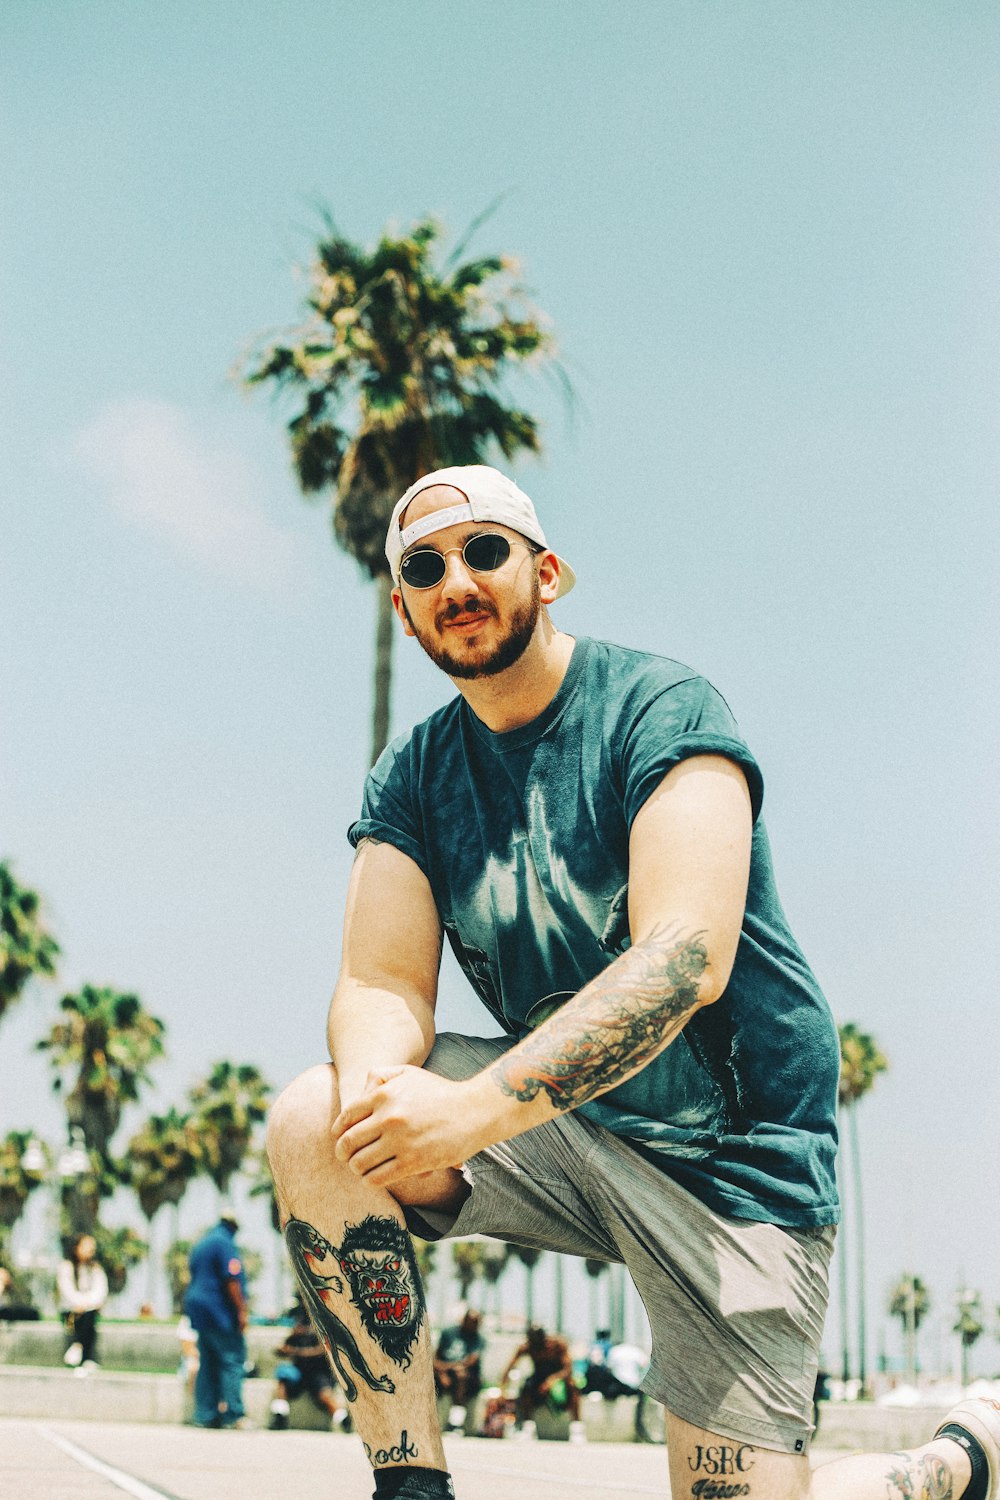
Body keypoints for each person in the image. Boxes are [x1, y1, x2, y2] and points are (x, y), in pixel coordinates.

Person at [267, 465, 1000, 1500]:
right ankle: (409, 1487)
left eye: (485, 551)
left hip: (735, 1172)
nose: (457, 582)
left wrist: (469, 1111)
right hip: (558, 1135)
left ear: (548, 572)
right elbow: (380, 981)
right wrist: (390, 1106)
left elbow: (681, 961)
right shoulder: (415, 774)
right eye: (424, 568)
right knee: (318, 1117)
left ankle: (942, 1463)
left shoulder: (657, 706)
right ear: (404, 606)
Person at [183, 1209, 251, 1430]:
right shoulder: (224, 1244)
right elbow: (231, 1279)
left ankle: (205, 1414)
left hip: (200, 1310)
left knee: (208, 1362)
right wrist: (241, 1311)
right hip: (219, 1311)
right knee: (232, 1360)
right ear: (233, 1226)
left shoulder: (202, 1243)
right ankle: (234, 1414)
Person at [269, 1299, 349, 1431]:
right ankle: (280, 1414)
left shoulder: (323, 1329)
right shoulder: (298, 1330)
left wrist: (295, 1351)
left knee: (325, 1395)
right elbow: (283, 1348)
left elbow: (322, 1351)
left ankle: (343, 1418)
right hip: (300, 1371)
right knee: (283, 1377)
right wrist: (283, 1348)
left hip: (319, 1372)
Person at [499, 1324, 583, 1439]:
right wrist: (502, 1389)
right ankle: (528, 1426)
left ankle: (577, 1429)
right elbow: (509, 1367)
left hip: (559, 1379)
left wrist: (552, 1380)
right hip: (538, 1379)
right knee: (526, 1388)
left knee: (573, 1387)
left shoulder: (557, 1345)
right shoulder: (527, 1347)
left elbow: (568, 1369)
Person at [57, 1233, 108, 1373]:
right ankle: (86, 1356)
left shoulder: (96, 1268)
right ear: (76, 1248)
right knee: (75, 1320)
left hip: (88, 1311)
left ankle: (78, 1346)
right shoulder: (66, 1267)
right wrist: (80, 1304)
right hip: (70, 1316)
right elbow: (67, 1292)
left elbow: (100, 1291)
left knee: (88, 1317)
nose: (91, 1250)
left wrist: (86, 1305)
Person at [433, 1307, 485, 1431]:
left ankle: (459, 1409)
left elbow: (471, 1360)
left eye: (476, 1323)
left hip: (470, 1381)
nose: (474, 1325)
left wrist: (454, 1367)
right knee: (438, 1427)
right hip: (446, 1380)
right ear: (464, 1320)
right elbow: (436, 1358)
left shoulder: (479, 1339)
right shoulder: (448, 1333)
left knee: (472, 1429)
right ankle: (449, 1416)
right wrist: (443, 1374)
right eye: (472, 1322)